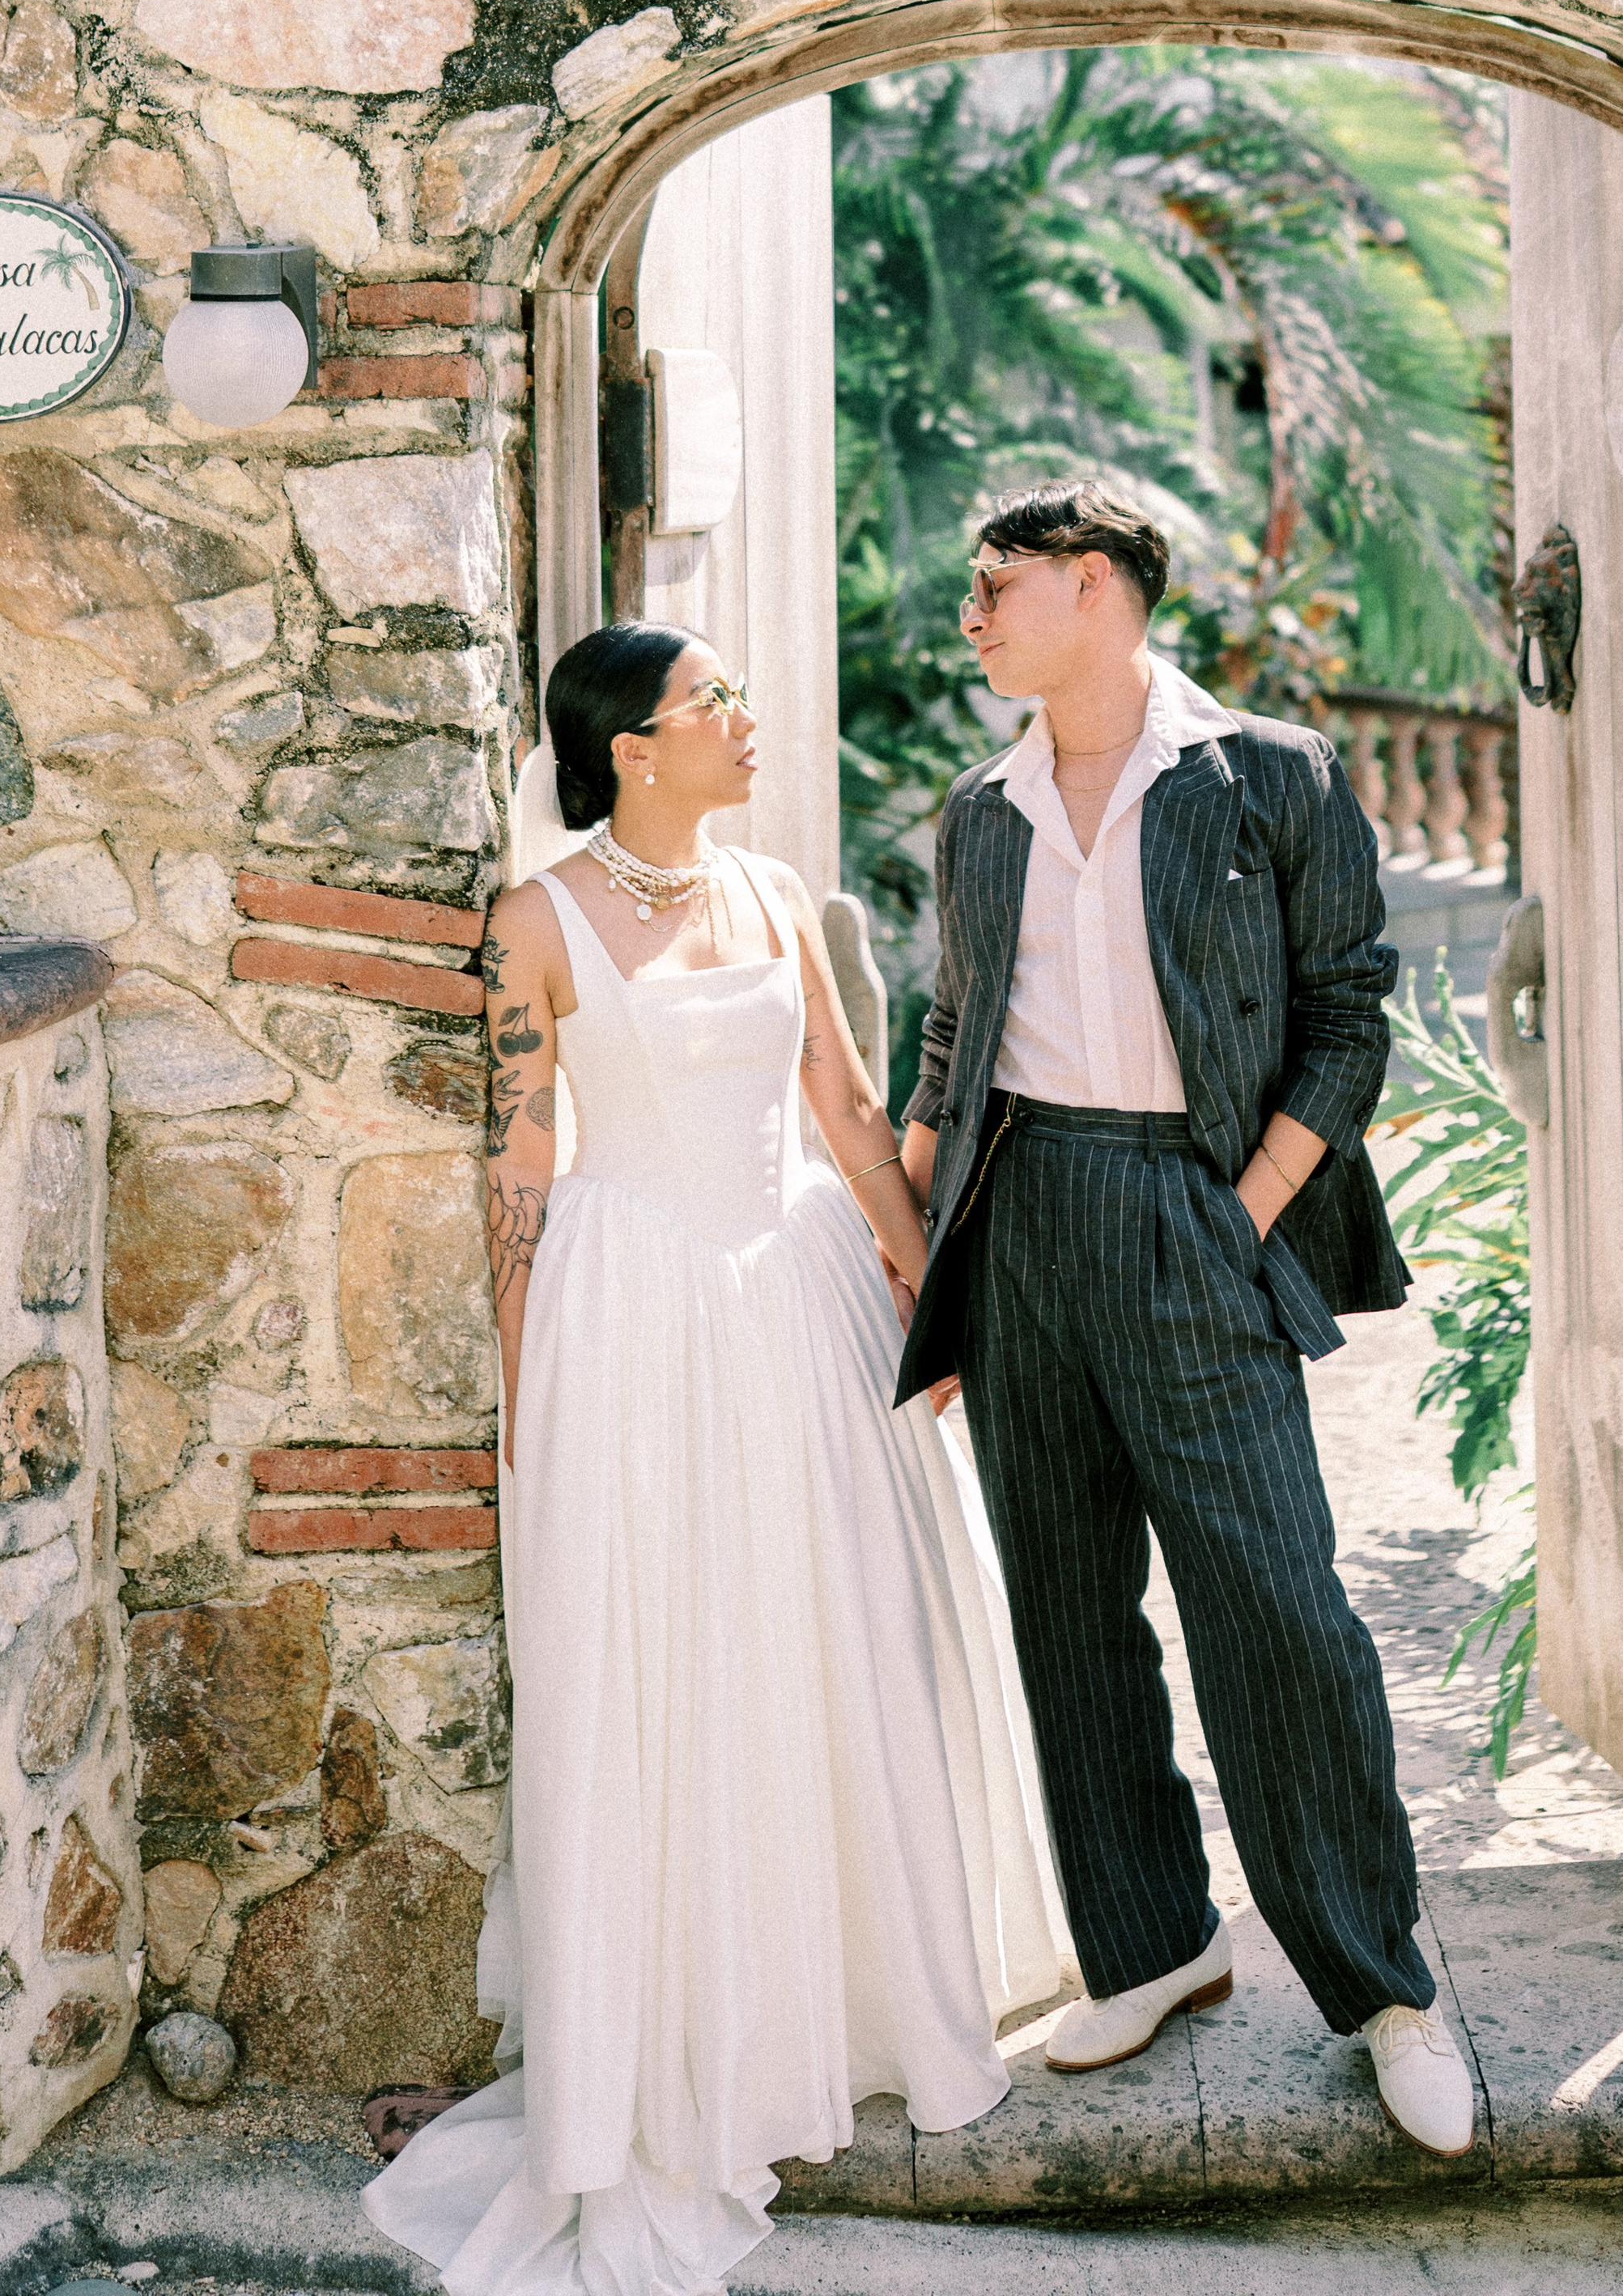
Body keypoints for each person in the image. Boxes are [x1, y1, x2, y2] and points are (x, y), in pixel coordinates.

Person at [364, 624, 1067, 2296]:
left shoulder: (767, 893)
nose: (744, 723)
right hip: (637, 1322)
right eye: (712, 707)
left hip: (796, 1295)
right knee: (670, 1660)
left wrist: (922, 1291)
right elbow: (521, 1166)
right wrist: (535, 1414)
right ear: (628, 746)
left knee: (827, 1636)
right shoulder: (534, 925)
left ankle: (844, 1995)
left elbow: (838, 1105)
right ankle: (680, 2036)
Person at [895, 478, 1476, 2161]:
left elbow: (1348, 1012)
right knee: (1067, 1611)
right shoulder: (981, 807)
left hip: (1192, 1210)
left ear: (1092, 588)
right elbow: (955, 1028)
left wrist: (1241, 1215)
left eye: (993, 586)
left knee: (1275, 1609)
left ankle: (1382, 1990)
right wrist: (913, 1246)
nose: (973, 617)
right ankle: (1151, 1947)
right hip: (1019, 1221)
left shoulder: (1267, 777)